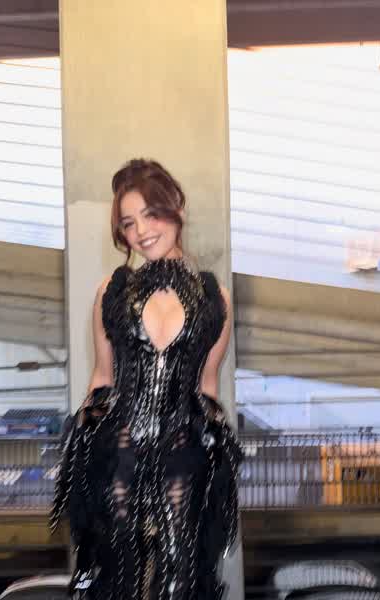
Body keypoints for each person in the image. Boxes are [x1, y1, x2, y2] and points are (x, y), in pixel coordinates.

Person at [51, 159, 242, 600]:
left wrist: (216, 452)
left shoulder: (217, 299)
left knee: (182, 575)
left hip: (185, 453)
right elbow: (103, 377)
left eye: (150, 214)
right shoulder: (112, 290)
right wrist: (84, 450)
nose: (141, 231)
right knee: (119, 573)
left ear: (177, 208)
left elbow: (207, 386)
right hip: (117, 450)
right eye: (128, 223)